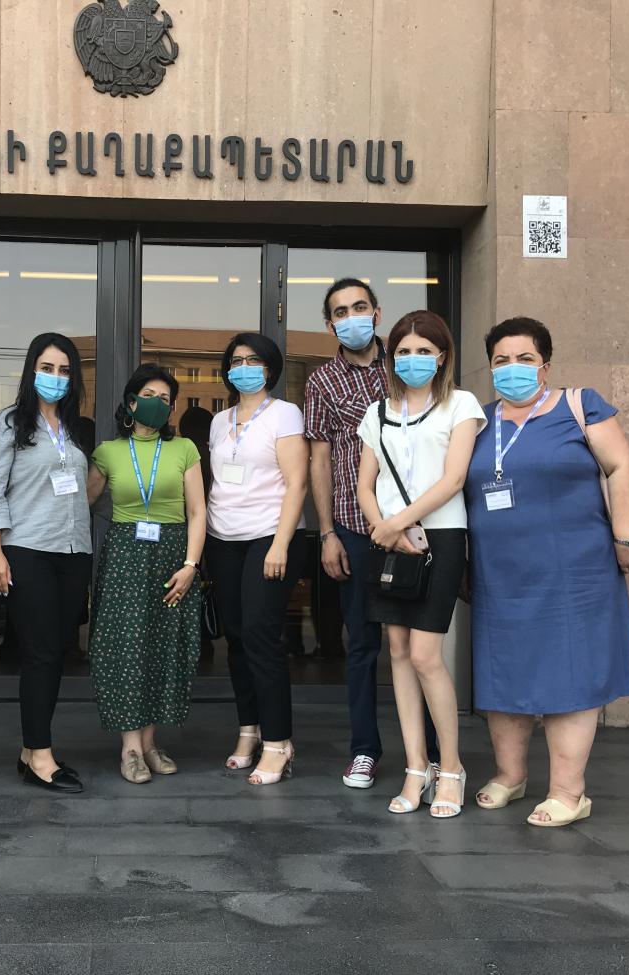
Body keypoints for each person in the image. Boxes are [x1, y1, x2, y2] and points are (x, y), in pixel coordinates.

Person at [464, 317, 629, 827]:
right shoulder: (479, 420)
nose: (512, 369)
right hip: (500, 575)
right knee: (503, 673)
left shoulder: (579, 405)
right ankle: (510, 775)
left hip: (575, 573)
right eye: (501, 360)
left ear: (545, 363)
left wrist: (625, 536)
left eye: (524, 359)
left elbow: (621, 467)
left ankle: (569, 791)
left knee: (570, 675)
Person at [305, 278, 436, 789]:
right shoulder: (321, 381)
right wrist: (326, 534)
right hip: (354, 530)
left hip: (413, 527)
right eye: (341, 311)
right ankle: (365, 749)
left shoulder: (406, 365)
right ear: (330, 324)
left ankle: (425, 752)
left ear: (378, 313)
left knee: (418, 645)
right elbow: (319, 458)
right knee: (361, 644)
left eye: (360, 307)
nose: (351, 316)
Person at [355, 311, 485, 817]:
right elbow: (365, 484)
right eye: (403, 351)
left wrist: (401, 522)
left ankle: (450, 767)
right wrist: (383, 527)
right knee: (399, 653)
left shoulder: (461, 405)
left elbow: (454, 479)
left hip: (441, 535)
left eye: (424, 351)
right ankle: (416, 767)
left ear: (443, 356)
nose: (413, 360)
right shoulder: (377, 412)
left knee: (428, 655)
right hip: (388, 537)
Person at [0, 333, 91, 794]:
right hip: (27, 549)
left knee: (55, 654)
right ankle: (41, 755)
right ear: (31, 371)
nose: (55, 378)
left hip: (73, 551)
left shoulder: (74, 428)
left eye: (64, 370)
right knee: (40, 653)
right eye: (47, 368)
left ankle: (33, 749)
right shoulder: (9, 422)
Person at [85, 365, 205, 783]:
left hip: (174, 555)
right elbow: (83, 502)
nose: (159, 403)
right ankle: (130, 749)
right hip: (125, 555)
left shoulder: (185, 449)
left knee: (163, 649)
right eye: (150, 394)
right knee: (125, 649)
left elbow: (197, 511)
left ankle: (150, 744)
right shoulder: (107, 452)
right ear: (132, 402)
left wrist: (191, 566)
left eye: (166, 398)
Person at [206, 333, 308, 786]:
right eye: (236, 360)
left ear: (270, 368)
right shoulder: (219, 420)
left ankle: (278, 742)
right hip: (221, 538)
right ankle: (248, 729)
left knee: (263, 640)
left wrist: (281, 545)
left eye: (253, 360)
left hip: (267, 538)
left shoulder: (285, 413)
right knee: (237, 641)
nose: (243, 366)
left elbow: (297, 483)